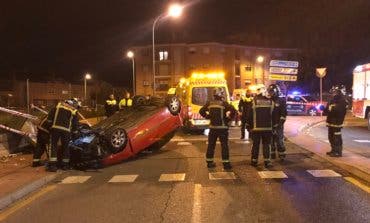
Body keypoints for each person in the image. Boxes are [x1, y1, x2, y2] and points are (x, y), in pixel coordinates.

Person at [199, 87, 237, 170]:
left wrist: (207, 116)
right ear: (221, 94)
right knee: (224, 146)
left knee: (211, 145)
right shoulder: (224, 103)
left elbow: (201, 111)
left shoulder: (209, 103)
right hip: (223, 128)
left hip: (213, 128)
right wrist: (228, 119)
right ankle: (226, 164)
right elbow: (234, 110)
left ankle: (209, 162)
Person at [246, 85, 278, 168]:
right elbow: (274, 116)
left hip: (256, 129)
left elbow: (249, 115)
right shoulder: (271, 102)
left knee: (255, 145)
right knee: (266, 145)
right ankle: (267, 162)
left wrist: (248, 126)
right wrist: (274, 127)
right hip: (268, 129)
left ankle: (254, 161)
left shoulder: (253, 102)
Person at [46, 98, 80, 172]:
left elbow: (49, 118)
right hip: (66, 130)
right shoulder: (73, 110)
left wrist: (49, 126)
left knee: (53, 146)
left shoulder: (57, 106)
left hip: (55, 128)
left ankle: (53, 165)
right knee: (66, 147)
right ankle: (65, 165)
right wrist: (75, 133)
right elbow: (75, 124)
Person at [324, 84, 348, 157]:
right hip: (331, 121)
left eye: (335, 91)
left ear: (339, 92)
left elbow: (339, 111)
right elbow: (328, 109)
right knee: (330, 137)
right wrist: (324, 109)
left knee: (336, 137)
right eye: (333, 91)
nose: (334, 93)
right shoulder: (333, 100)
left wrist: (331, 109)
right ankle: (333, 150)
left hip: (337, 122)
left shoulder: (343, 101)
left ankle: (338, 152)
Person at [267, 84, 287, 160]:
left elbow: (283, 113)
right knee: (271, 141)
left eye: (272, 91)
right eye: (269, 91)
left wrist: (280, 123)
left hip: (278, 124)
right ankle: (272, 154)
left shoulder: (281, 100)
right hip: (269, 125)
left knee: (279, 140)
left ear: (276, 91)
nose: (270, 93)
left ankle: (282, 154)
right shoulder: (268, 100)